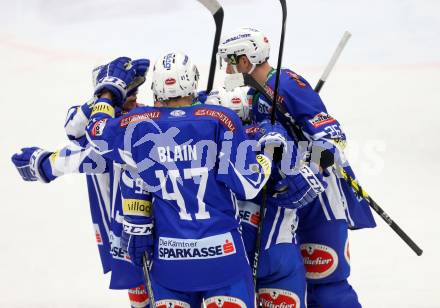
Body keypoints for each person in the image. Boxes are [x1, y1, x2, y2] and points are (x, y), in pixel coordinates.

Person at [84, 53, 287, 307]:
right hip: (223, 258)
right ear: (193, 81)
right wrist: (268, 152)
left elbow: (96, 132)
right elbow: (249, 184)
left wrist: (108, 92)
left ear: (156, 88)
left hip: (169, 262)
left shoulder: (139, 124)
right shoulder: (220, 119)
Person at [218, 27, 377, 308]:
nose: (229, 68)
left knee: (326, 283)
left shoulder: (286, 82)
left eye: (232, 60)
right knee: (292, 287)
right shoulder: (256, 95)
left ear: (246, 60)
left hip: (319, 198)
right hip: (286, 203)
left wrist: (315, 160)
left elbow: (331, 134)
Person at [11, 60, 151, 308]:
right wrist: (107, 91)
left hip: (148, 223)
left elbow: (90, 156)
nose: (134, 94)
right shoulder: (101, 125)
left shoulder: (138, 121)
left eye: (136, 88)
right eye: (128, 90)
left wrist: (45, 163)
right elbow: (73, 128)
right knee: (140, 297)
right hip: (121, 227)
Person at [206, 87, 328, 307]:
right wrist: (315, 161)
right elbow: (314, 172)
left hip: (227, 255)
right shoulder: (274, 133)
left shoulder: (207, 146)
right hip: (279, 251)